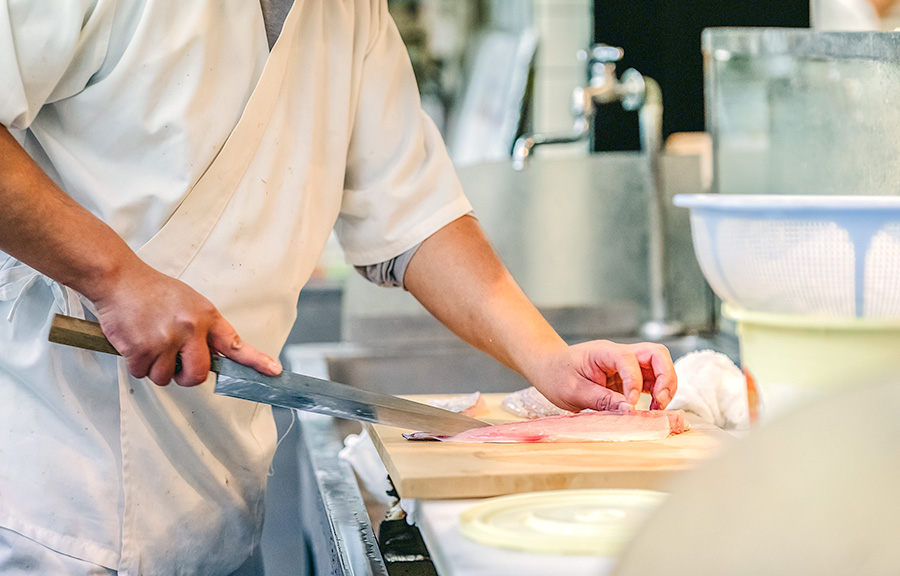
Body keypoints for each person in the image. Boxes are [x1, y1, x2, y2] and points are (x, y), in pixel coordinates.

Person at [0, 1, 677, 574]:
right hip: (48, 504)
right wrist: (117, 279)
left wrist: (548, 358)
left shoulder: (351, 14)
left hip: (216, 505)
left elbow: (417, 218)